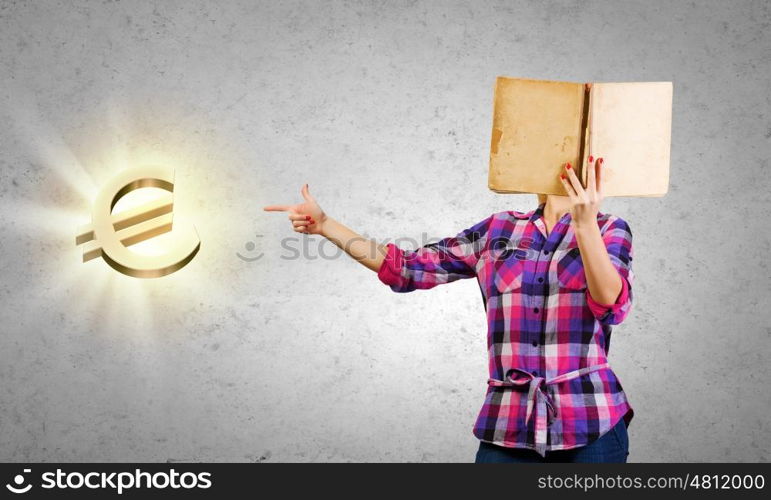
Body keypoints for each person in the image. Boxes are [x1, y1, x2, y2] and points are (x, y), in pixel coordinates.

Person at [264, 155, 635, 463]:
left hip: (592, 423)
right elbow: (406, 267)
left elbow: (610, 304)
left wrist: (585, 226)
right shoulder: (497, 230)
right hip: (508, 425)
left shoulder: (610, 229)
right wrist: (327, 224)